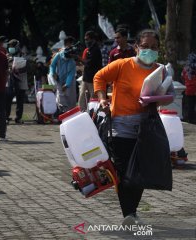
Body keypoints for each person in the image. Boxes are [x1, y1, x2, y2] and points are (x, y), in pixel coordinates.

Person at [93, 29, 174, 225]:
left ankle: (132, 212)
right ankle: (129, 214)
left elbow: (165, 96)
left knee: (141, 171)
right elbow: (99, 78)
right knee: (124, 172)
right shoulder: (122, 65)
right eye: (145, 47)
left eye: (154, 48)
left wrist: (160, 99)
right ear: (136, 47)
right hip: (120, 127)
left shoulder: (160, 70)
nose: (149, 51)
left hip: (147, 127)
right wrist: (103, 99)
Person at [49, 36, 77, 113]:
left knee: (70, 96)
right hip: (58, 78)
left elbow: (71, 74)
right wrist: (53, 73)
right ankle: (60, 111)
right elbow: (52, 65)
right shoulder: (58, 55)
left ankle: (69, 112)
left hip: (69, 81)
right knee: (60, 95)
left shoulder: (72, 61)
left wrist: (67, 84)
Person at [5, 39, 28, 124]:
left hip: (21, 80)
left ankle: (18, 118)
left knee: (20, 100)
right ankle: (6, 117)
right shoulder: (7, 56)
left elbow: (26, 67)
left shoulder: (23, 56)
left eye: (12, 46)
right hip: (10, 81)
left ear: (16, 47)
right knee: (8, 100)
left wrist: (18, 70)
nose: (10, 48)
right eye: (9, 46)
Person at [78, 31, 102, 111]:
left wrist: (79, 59)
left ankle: (91, 114)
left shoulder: (95, 50)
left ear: (93, 39)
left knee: (93, 98)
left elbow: (89, 63)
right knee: (82, 97)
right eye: (85, 39)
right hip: (86, 77)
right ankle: (81, 112)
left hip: (93, 78)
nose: (86, 41)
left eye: (87, 39)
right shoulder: (89, 49)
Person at [181, 53, 196, 124]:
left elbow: (183, 77)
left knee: (189, 106)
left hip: (188, 90)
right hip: (194, 89)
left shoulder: (186, 69)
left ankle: (189, 119)